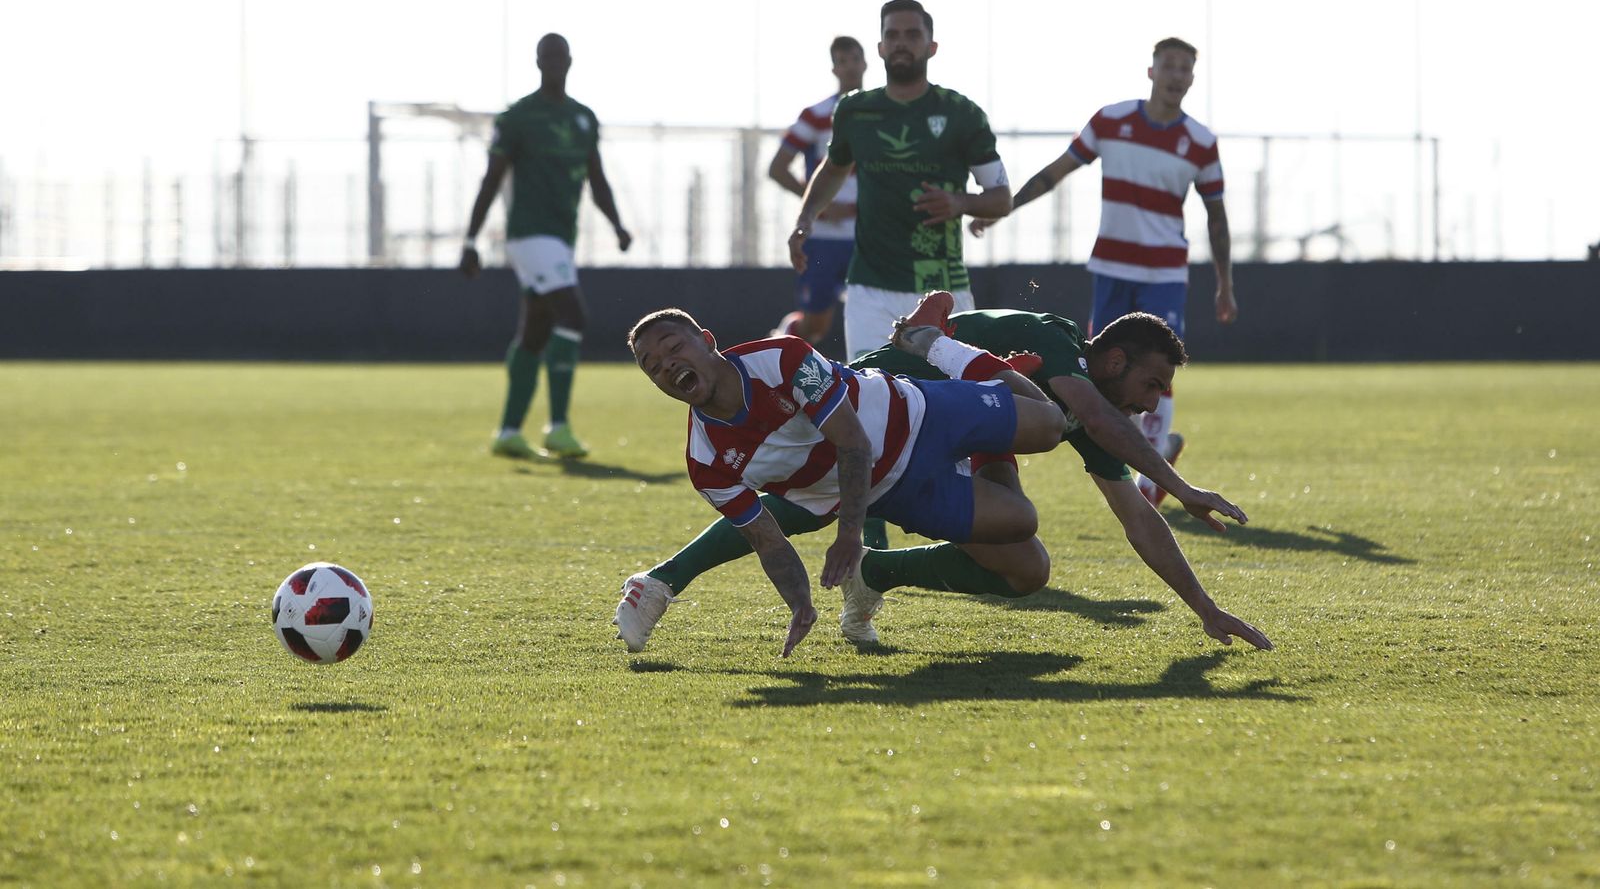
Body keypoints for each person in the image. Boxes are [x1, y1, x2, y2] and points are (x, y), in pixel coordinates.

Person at [614, 294, 1272, 656]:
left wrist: (1205, 610)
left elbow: (1136, 516)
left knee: (1029, 565)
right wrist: (1183, 488)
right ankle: (662, 578)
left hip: (909, 443)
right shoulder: (1068, 358)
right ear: (1114, 360)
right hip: (907, 391)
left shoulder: (1091, 402)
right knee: (807, 490)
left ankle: (878, 571)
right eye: (1151, 384)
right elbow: (1098, 417)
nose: (1153, 402)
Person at [624, 293, 1070, 656]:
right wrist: (800, 603)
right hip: (897, 490)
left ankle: (932, 344)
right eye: (652, 365)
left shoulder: (781, 359)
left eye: (674, 347)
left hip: (921, 412)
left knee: (1052, 425)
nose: (666, 364)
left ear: (706, 341)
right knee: (1027, 556)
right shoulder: (705, 462)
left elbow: (853, 444)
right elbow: (767, 540)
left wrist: (849, 534)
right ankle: (874, 571)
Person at [971, 37, 1236, 505]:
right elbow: (1057, 171)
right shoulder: (1111, 120)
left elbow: (1216, 215)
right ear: (1151, 71)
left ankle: (1151, 480)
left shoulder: (1200, 143)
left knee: (1157, 369)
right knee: (1109, 373)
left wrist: (1224, 283)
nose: (1176, 75)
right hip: (1112, 268)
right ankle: (1154, 452)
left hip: (1164, 273)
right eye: (1168, 66)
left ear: (1192, 79)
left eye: (1185, 69)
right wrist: (1005, 208)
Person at [788, 0, 1013, 363]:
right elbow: (833, 168)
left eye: (912, 34)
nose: (901, 42)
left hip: (942, 287)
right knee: (871, 394)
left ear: (931, 46)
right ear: (879, 47)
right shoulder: (854, 110)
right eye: (892, 35)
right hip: (869, 289)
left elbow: (1001, 198)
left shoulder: (962, 114)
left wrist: (961, 203)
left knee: (947, 400)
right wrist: (805, 219)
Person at [459, 33, 632, 460]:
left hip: (560, 237)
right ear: (538, 62)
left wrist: (618, 225)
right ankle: (558, 426)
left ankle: (508, 432)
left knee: (536, 330)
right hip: (529, 234)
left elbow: (597, 180)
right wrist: (470, 239)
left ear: (570, 62)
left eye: (561, 56)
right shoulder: (518, 117)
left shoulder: (584, 118)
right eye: (547, 56)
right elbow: (492, 178)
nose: (555, 63)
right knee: (572, 313)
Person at [766, 36, 868, 348]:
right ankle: (786, 339)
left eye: (854, 59)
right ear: (834, 69)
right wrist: (821, 207)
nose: (850, 67)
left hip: (870, 236)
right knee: (816, 326)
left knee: (875, 315)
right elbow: (777, 168)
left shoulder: (885, 114)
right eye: (842, 61)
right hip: (823, 236)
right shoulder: (816, 115)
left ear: (865, 63)